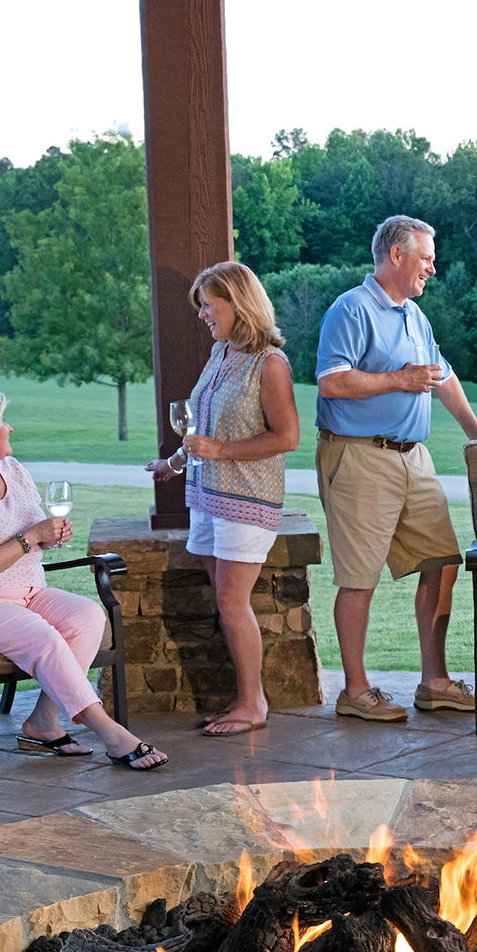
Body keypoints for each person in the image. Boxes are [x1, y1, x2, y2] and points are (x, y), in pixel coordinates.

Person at [315, 214, 477, 722]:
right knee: (359, 578)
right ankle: (355, 691)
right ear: (396, 255)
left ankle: (434, 681)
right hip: (357, 456)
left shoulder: (414, 315)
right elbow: (331, 382)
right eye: (426, 258)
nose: (433, 270)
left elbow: (441, 377)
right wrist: (398, 379)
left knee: (442, 563)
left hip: (413, 458)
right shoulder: (350, 309)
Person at [0, 391, 167, 769]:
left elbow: (33, 534)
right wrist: (32, 535)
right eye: (2, 421)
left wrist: (49, 535)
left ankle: (44, 723)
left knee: (89, 616)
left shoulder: (14, 470)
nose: (9, 427)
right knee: (44, 636)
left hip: (28, 590)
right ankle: (110, 733)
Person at [146, 262, 298, 737]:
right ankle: (246, 697)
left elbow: (287, 437)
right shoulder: (221, 353)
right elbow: (202, 429)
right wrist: (172, 466)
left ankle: (253, 705)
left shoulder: (269, 363)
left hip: (247, 500)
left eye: (209, 306)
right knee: (225, 600)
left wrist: (220, 451)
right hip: (208, 497)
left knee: (232, 600)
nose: (202, 315)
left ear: (238, 303)